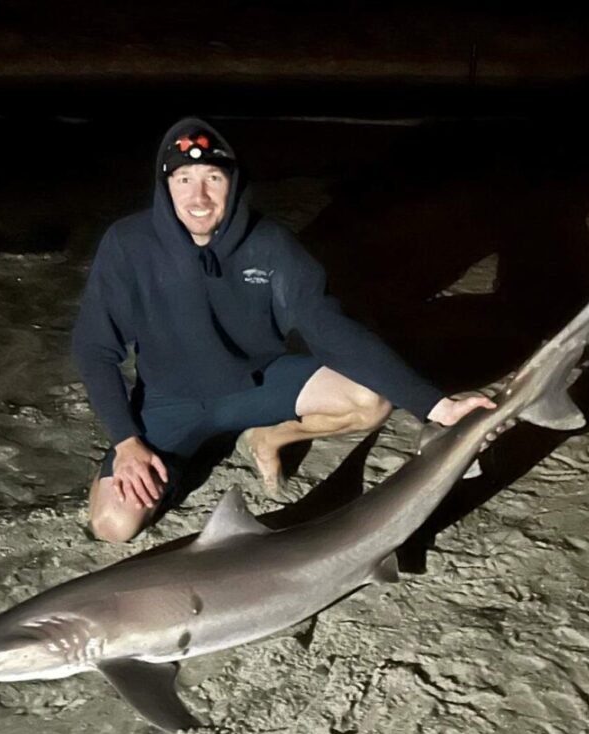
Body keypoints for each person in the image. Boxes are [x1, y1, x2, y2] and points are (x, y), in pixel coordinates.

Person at [72, 116, 494, 543]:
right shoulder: (129, 245)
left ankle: (270, 437)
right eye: (183, 179)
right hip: (167, 404)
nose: (198, 196)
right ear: (165, 186)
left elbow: (331, 331)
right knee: (114, 526)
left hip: (256, 385)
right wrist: (127, 442)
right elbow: (95, 349)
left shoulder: (270, 245)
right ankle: (178, 464)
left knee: (369, 401)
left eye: (212, 178)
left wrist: (436, 406)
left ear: (233, 182)